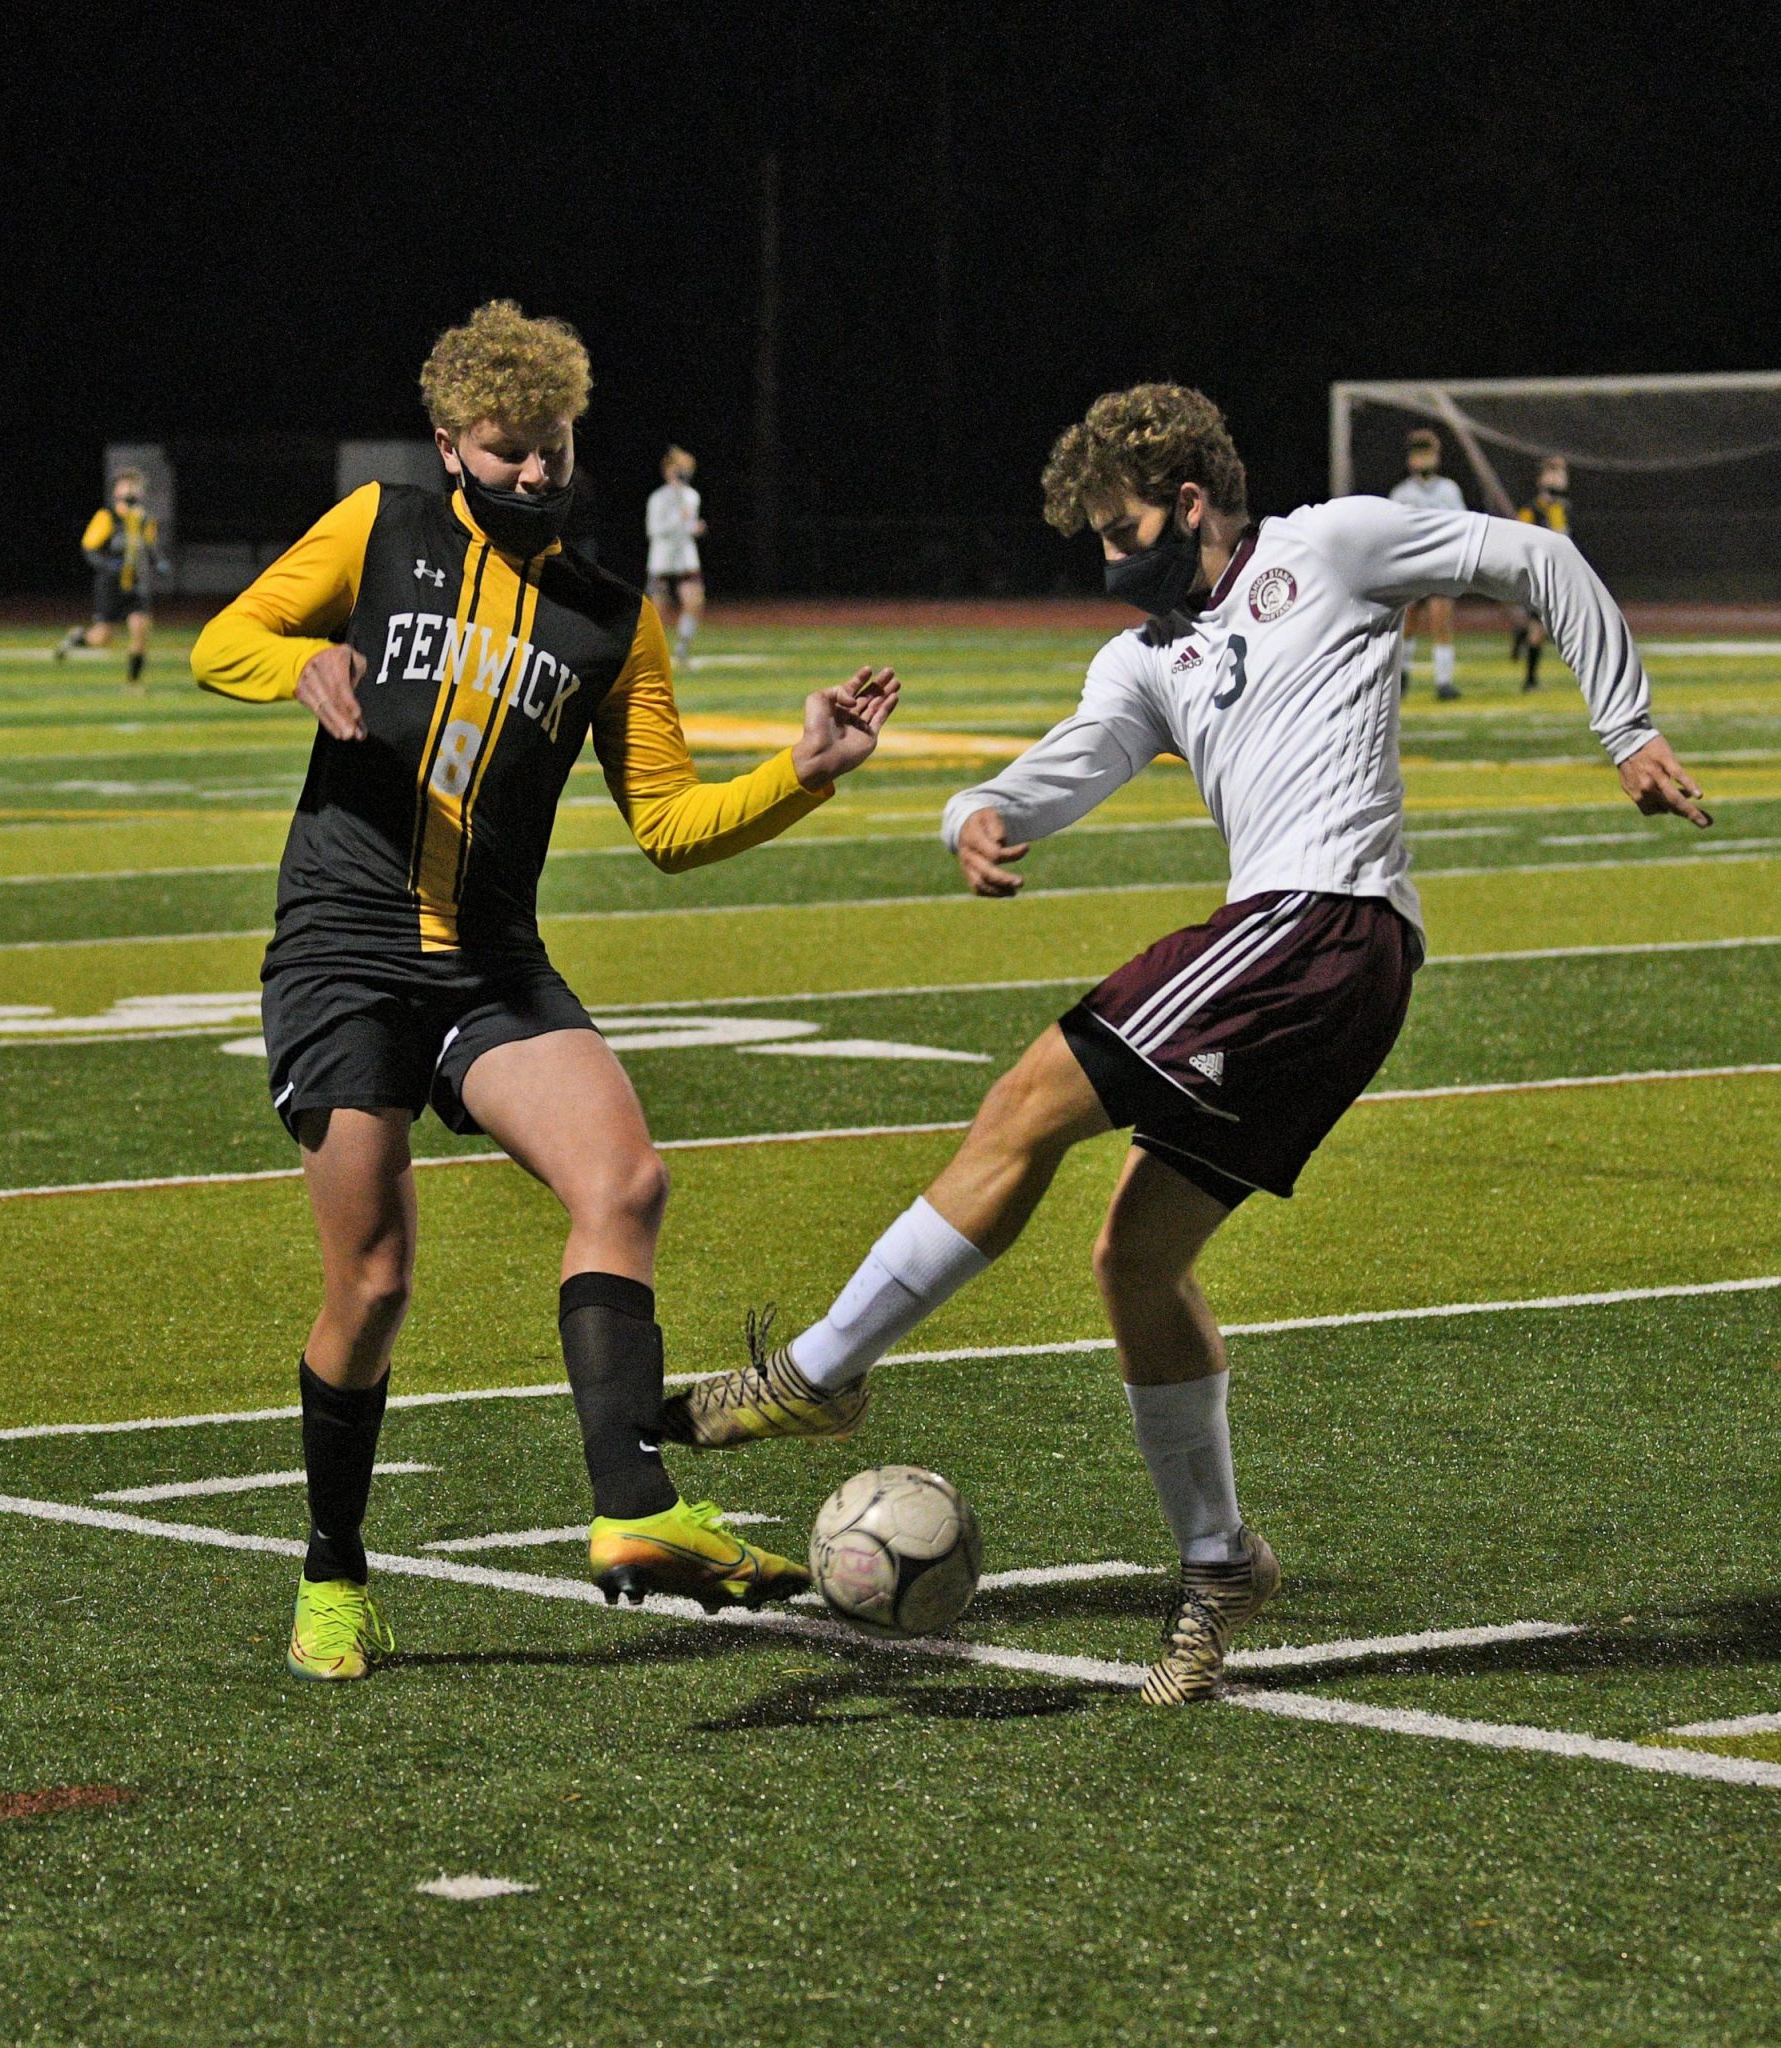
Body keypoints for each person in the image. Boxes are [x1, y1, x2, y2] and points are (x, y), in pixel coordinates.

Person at [661, 382, 1710, 1706]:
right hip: (1324, 969)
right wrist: (975, 814)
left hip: (1323, 923)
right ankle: (1219, 1568)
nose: (1110, 559)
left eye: (1121, 527)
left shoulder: (1324, 548)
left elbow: (1537, 557)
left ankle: (818, 1372)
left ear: (1191, 500)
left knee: (1029, 1098)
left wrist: (1625, 725)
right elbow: (1072, 760)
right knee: (1135, 1260)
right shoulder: (1146, 657)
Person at [190, 300, 899, 1682]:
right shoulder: (379, 529)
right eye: (506, 449)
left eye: (552, 448)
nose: (532, 473)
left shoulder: (605, 618)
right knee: (375, 1283)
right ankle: (334, 1572)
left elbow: (670, 826)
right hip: (342, 949)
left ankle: (634, 1508)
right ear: (452, 442)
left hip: (490, 961)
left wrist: (805, 775)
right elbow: (229, 640)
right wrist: (303, 662)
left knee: (623, 1182)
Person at [55, 467, 167, 684]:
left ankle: (133, 683)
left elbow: (150, 548)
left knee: (140, 630)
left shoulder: (145, 520)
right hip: (110, 585)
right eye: (127, 486)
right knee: (102, 637)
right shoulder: (107, 517)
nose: (131, 491)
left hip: (136, 583)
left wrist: (159, 562)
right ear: (117, 490)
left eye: (136, 487)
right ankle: (77, 638)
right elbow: (89, 548)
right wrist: (107, 564)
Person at [1387, 429, 1464, 699]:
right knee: (1407, 623)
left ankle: (1444, 682)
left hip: (1440, 565)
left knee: (1441, 622)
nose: (1423, 461)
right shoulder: (1401, 493)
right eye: (1418, 455)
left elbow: (1460, 526)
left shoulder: (1449, 489)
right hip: (1411, 567)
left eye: (1427, 454)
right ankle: (1402, 675)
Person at [1512, 457, 1572, 689]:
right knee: (1540, 626)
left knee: (1546, 626)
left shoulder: (1564, 507)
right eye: (1553, 473)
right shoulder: (1531, 509)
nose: (1559, 478)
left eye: (1561, 474)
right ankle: (1530, 680)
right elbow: (1521, 537)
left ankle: (1521, 635)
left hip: (1558, 571)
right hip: (1538, 573)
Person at [645, 446, 705, 667]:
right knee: (657, 610)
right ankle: (654, 655)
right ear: (667, 471)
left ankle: (682, 649)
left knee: (695, 601)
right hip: (662, 561)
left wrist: (694, 527)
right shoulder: (658, 498)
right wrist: (679, 521)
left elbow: (688, 525)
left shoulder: (692, 496)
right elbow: (653, 530)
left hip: (686, 559)